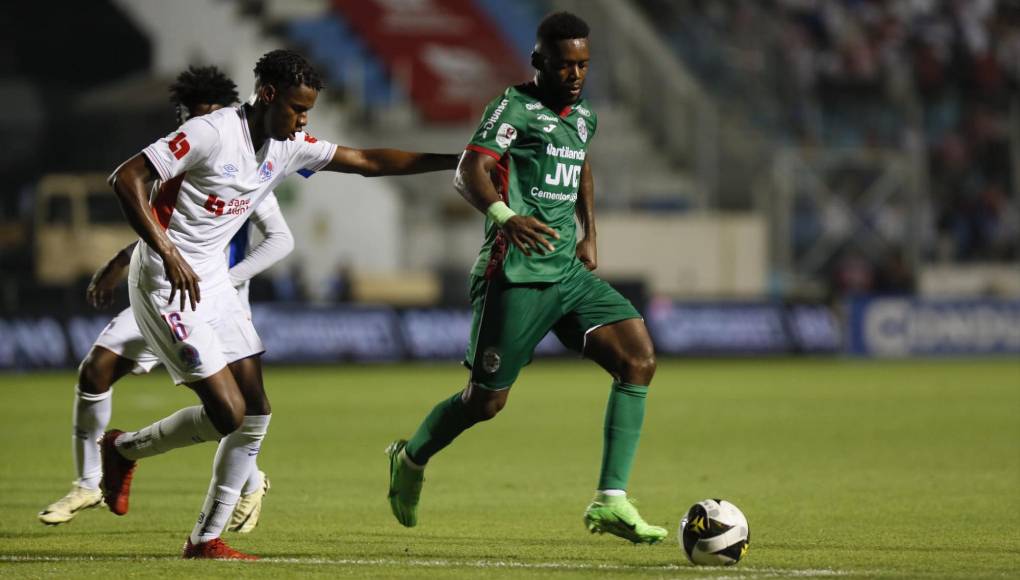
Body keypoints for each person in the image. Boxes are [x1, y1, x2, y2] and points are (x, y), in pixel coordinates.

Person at [104, 49, 459, 560]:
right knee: (227, 412)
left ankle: (204, 540)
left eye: (308, 111)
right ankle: (121, 450)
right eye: (297, 109)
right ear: (267, 95)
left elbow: (367, 162)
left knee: (257, 412)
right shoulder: (211, 132)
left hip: (212, 282)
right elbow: (126, 178)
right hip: (166, 279)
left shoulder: (287, 146)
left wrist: (456, 161)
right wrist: (167, 250)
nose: (303, 121)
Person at [386, 12, 667, 545]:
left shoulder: (583, 115)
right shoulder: (511, 109)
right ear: (539, 61)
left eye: (584, 64)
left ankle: (610, 500)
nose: (576, 74)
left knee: (638, 358)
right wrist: (505, 219)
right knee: (485, 403)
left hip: (567, 270)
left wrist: (590, 234)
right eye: (565, 65)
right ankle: (412, 455)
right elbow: (469, 169)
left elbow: (581, 165)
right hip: (513, 273)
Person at [38, 66, 286, 533]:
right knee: (96, 368)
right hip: (161, 290)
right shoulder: (178, 156)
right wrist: (120, 261)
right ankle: (90, 481)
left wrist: (229, 279)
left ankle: (248, 479)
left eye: (208, 115)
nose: (198, 124)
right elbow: (168, 228)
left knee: (224, 406)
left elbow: (279, 239)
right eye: (190, 116)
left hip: (208, 302)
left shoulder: (250, 160)